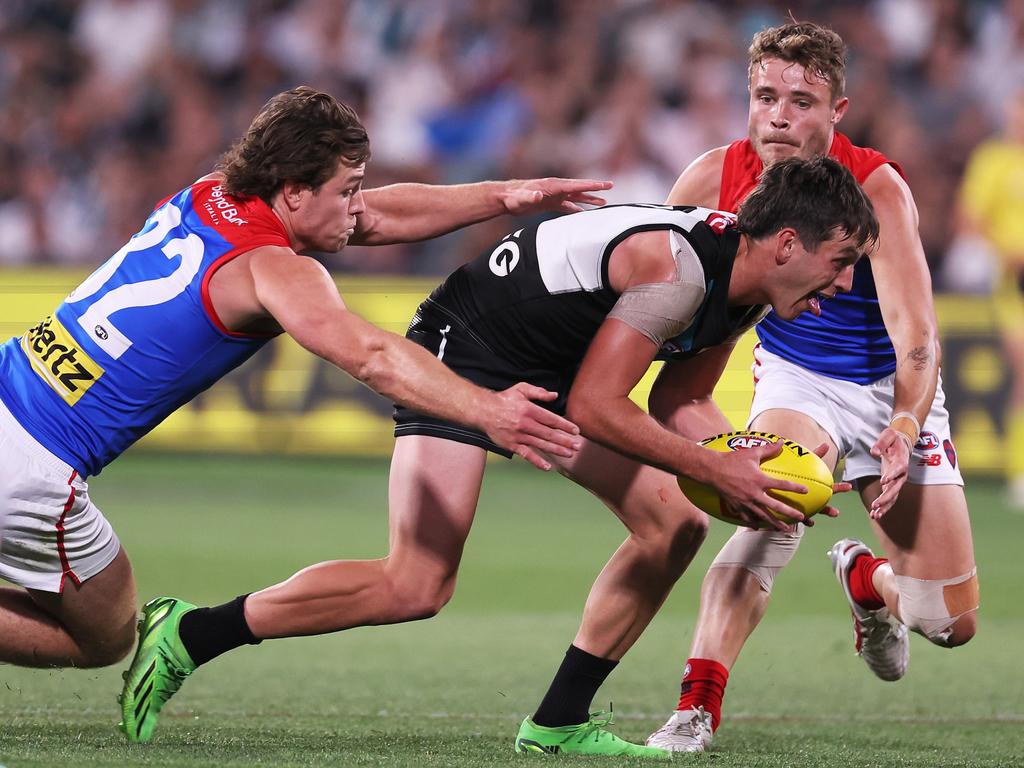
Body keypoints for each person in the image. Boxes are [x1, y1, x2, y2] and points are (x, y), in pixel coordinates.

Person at [117, 155, 876, 754]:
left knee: (675, 523)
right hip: (465, 353)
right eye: (840, 262)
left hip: (553, 373)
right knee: (416, 585)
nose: (842, 285)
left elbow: (678, 405)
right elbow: (596, 408)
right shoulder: (679, 270)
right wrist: (715, 467)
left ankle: (558, 722)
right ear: (785, 244)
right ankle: (190, 632)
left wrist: (768, 467)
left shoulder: (744, 287)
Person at [0, 87, 611, 676]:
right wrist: (488, 410)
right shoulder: (275, 270)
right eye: (347, 190)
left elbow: (373, 217)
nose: (358, 205)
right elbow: (371, 355)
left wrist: (502, 196)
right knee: (105, 635)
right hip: (31, 466)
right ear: (293, 192)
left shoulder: (211, 193)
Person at [644, 22, 980, 754]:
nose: (779, 115)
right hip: (798, 380)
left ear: (838, 112)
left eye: (801, 100)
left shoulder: (878, 189)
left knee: (947, 624)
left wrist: (900, 429)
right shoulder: (709, 180)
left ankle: (867, 580)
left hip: (896, 388)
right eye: (765, 96)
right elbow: (657, 296)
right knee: (770, 508)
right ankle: (696, 706)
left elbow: (916, 336)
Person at [956, 87, 1024, 508]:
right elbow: (970, 219)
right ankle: (1019, 469)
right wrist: (1006, 252)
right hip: (1014, 283)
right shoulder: (994, 160)